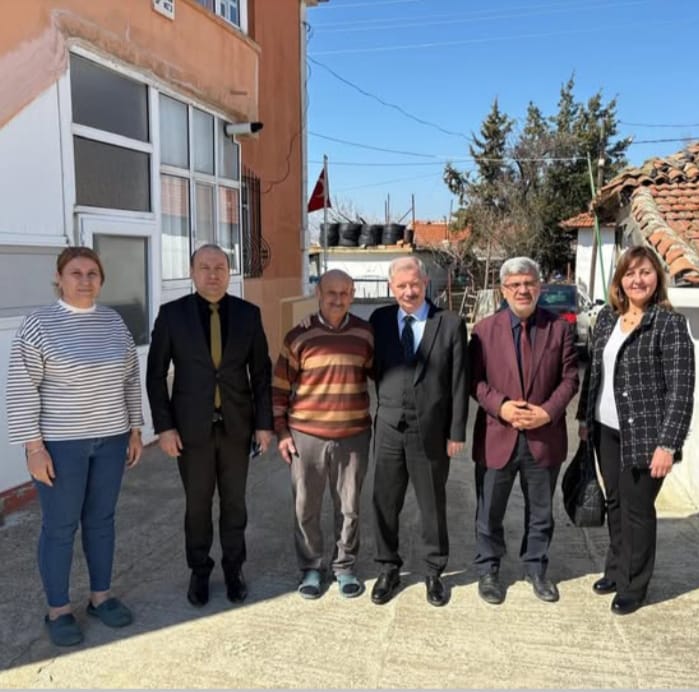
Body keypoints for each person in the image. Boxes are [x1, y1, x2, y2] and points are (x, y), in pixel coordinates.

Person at [6, 246, 144, 647]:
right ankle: (59, 609)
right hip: (61, 445)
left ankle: (101, 597)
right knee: (60, 526)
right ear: (59, 278)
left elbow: (130, 379)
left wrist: (135, 430)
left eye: (92, 274)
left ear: (101, 280)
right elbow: (22, 389)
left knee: (102, 520)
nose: (85, 280)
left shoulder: (113, 322)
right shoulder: (38, 325)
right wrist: (34, 448)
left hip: (112, 440)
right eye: (76, 273)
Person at [146, 244, 273, 607]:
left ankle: (234, 570)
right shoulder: (172, 315)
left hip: (237, 428)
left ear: (229, 272)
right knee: (197, 506)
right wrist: (164, 428)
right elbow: (156, 375)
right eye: (205, 267)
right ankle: (199, 571)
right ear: (192, 272)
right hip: (190, 432)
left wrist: (264, 425)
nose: (213, 274)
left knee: (235, 504)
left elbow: (261, 373)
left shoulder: (248, 314)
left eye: (220, 267)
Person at [577, 245, 695, 615]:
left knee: (637, 509)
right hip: (605, 429)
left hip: (645, 434)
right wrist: (583, 418)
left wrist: (667, 444)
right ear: (620, 280)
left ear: (657, 277)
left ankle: (635, 585)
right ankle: (616, 569)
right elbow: (594, 371)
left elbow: (681, 390)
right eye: (630, 273)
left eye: (645, 272)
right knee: (615, 501)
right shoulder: (608, 319)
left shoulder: (669, 325)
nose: (637, 280)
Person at [469, 257, 578, 605]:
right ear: (503, 290)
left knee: (542, 512)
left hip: (543, 436)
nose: (522, 290)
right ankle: (489, 570)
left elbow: (570, 378)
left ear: (539, 286)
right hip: (497, 435)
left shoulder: (559, 329)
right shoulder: (484, 330)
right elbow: (473, 380)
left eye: (529, 283)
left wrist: (547, 412)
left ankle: (536, 568)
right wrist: (500, 406)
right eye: (514, 284)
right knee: (489, 511)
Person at [369, 256, 468, 607]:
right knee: (384, 501)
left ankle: (433, 571)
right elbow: (374, 368)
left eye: (414, 284)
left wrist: (457, 432)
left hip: (431, 431)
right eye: (401, 285)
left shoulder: (450, 323)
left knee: (432, 505)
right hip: (389, 428)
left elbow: (459, 381)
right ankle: (388, 567)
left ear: (426, 283)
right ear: (391, 287)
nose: (409, 291)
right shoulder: (380, 320)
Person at [273, 270, 374, 599]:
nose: (338, 299)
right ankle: (311, 568)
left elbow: (382, 376)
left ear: (353, 295)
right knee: (306, 506)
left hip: (353, 436)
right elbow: (279, 388)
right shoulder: (298, 335)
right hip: (307, 436)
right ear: (318, 292)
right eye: (331, 292)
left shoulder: (365, 334)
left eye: (344, 293)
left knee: (349, 507)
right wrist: (281, 432)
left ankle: (345, 567)